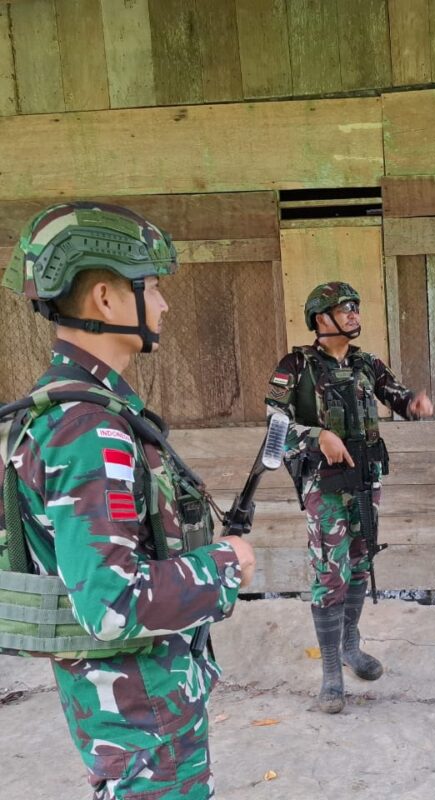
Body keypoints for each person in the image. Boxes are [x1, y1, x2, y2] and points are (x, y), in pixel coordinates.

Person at [0, 202, 256, 799]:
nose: (164, 304)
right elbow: (111, 602)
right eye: (153, 287)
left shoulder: (75, 412)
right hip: (143, 719)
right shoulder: (89, 430)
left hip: (136, 707)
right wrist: (226, 564)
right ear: (107, 300)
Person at [266, 281, 433, 713]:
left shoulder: (366, 362)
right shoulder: (296, 365)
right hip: (323, 483)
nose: (356, 314)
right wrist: (316, 435)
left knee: (360, 560)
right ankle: (331, 674)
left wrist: (412, 402)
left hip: (365, 476)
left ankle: (350, 646)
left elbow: (393, 395)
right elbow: (274, 422)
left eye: (357, 307)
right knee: (329, 571)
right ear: (322, 318)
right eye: (346, 308)